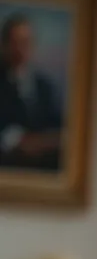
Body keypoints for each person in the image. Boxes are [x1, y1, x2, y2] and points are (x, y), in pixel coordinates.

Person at [0, 12, 64, 172]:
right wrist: (16, 141)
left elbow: (57, 124)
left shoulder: (44, 86)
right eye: (16, 42)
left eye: (26, 42)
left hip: (40, 165)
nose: (21, 48)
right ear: (6, 44)